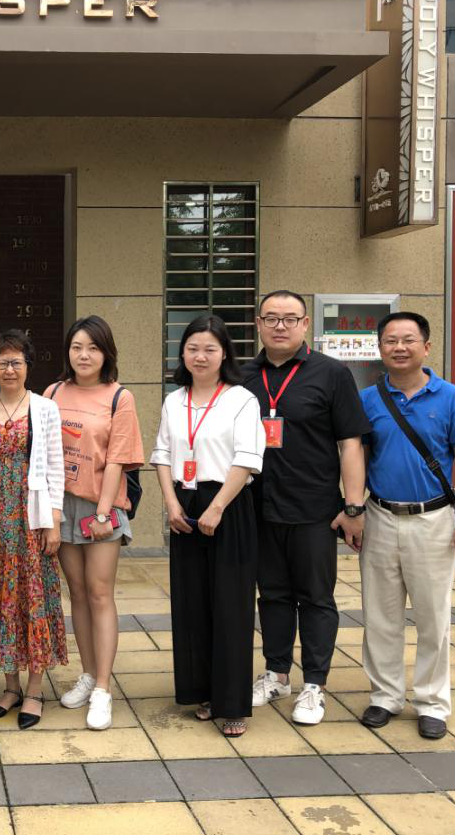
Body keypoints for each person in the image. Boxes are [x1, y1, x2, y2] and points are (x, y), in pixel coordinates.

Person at [241, 290, 370, 726]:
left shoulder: (332, 374)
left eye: (290, 318)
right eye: (271, 318)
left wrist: (354, 506)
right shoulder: (243, 376)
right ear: (258, 324)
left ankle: (314, 684)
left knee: (316, 598)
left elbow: (350, 443)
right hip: (258, 507)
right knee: (272, 595)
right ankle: (277, 674)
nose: (280, 326)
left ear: (305, 324)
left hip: (315, 509)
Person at [358, 311, 455, 740]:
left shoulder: (452, 397)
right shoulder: (368, 399)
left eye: (408, 340)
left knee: (433, 616)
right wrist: (352, 509)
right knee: (380, 614)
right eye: (390, 341)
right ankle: (385, 696)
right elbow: (356, 457)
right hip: (379, 515)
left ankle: (432, 702)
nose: (399, 347)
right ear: (380, 349)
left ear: (426, 347)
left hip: (433, 520)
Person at [153, 315, 265, 737]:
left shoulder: (241, 399)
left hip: (228, 505)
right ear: (182, 353)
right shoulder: (174, 400)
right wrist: (170, 503)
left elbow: (248, 459)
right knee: (192, 603)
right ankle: (202, 692)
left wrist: (217, 507)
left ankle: (232, 703)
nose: (200, 356)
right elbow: (162, 454)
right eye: (193, 348)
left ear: (224, 354)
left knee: (231, 605)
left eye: (209, 349)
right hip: (184, 503)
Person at [0, 330, 68, 730]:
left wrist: (53, 521)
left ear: (28, 366)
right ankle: (9, 687)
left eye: (16, 362)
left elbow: (55, 466)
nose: (9, 369)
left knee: (32, 598)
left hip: (30, 521)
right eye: (2, 362)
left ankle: (35, 690)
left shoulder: (45, 409)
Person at [47, 315, 144, 731]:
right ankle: (87, 674)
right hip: (62, 506)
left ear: (106, 353)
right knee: (78, 593)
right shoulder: (53, 392)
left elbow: (118, 459)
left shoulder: (120, 397)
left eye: (93, 348)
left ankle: (103, 688)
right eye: (77, 347)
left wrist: (104, 514)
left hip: (101, 507)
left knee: (100, 592)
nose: (84, 355)